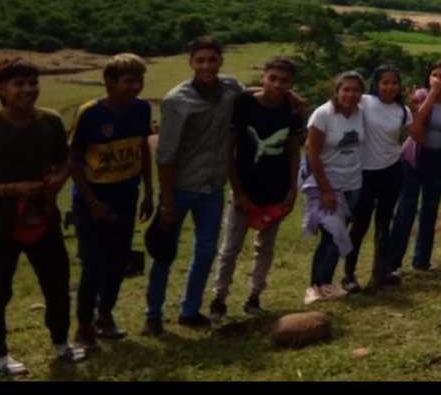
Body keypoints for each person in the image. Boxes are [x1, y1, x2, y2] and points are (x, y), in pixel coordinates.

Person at [0, 58, 88, 375]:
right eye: (19, 84)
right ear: (1, 90)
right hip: (1, 228)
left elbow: (65, 161)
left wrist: (57, 180)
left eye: (32, 82)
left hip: (44, 220)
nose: (28, 89)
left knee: (57, 285)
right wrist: (11, 189)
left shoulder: (49, 121)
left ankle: (62, 345)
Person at [143, 36, 243, 335]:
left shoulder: (230, 89)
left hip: (213, 187)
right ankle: (153, 314)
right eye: (200, 61)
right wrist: (168, 202)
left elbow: (250, 95)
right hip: (181, 187)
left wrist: (284, 95)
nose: (207, 66)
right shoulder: (177, 100)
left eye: (212, 60)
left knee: (205, 251)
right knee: (164, 253)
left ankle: (190, 310)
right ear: (191, 63)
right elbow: (166, 155)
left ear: (221, 60)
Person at [67, 53, 155, 348]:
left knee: (118, 262)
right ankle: (83, 327)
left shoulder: (141, 110)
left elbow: (143, 148)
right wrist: (92, 203)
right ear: (109, 82)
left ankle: (104, 316)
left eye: (139, 81)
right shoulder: (90, 113)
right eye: (128, 81)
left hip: (126, 195)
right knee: (93, 264)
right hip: (94, 198)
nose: (135, 87)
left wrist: (149, 192)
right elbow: (73, 160)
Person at [207, 56, 305, 320]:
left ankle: (254, 296)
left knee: (265, 247)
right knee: (230, 248)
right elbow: (230, 149)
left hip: (276, 189)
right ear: (263, 77)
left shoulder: (293, 111)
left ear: (291, 84)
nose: (277, 85)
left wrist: (292, 189)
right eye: (272, 78)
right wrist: (238, 191)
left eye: (284, 81)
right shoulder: (244, 105)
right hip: (245, 188)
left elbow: (294, 150)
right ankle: (219, 297)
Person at [387, 60, 441, 277]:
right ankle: (392, 262)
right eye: (434, 75)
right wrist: (431, 96)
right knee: (406, 208)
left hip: (438, 159)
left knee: (429, 209)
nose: (438, 80)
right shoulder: (420, 95)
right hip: (413, 157)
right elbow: (416, 122)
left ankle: (422, 260)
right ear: (428, 77)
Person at [344, 65, 412, 293]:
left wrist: (424, 103)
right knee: (360, 223)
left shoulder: (403, 110)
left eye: (394, 83)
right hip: (363, 172)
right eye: (385, 82)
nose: (390, 87)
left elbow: (418, 134)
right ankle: (349, 274)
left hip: (392, 170)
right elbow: (337, 102)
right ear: (376, 84)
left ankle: (379, 272)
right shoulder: (362, 102)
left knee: (384, 223)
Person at [304, 70, 365, 303]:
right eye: (346, 89)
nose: (350, 94)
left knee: (338, 235)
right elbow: (313, 154)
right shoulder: (323, 114)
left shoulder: (360, 112)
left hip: (354, 183)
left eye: (356, 90)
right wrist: (326, 189)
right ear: (336, 91)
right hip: (328, 184)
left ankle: (326, 283)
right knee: (331, 236)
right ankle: (315, 286)